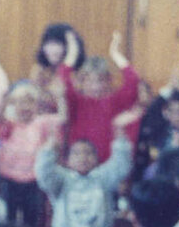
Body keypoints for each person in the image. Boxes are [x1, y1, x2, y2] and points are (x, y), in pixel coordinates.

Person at [0, 82, 61, 227]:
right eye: (19, 103)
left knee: (31, 224)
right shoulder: (7, 124)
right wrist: (6, 100)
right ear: (12, 105)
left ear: (37, 105)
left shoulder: (42, 123)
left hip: (33, 181)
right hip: (9, 180)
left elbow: (62, 119)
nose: (24, 107)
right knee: (9, 221)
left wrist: (58, 97)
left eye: (29, 102)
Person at [56, 31, 141, 161]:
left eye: (101, 80)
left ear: (109, 81)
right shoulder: (77, 101)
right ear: (81, 82)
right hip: (80, 166)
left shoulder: (116, 101)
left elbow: (133, 80)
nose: (96, 86)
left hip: (109, 167)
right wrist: (72, 54)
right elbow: (63, 80)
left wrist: (115, 54)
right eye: (89, 81)